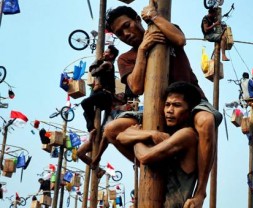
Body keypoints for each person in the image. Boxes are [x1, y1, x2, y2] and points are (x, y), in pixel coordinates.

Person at [94, 5, 223, 207]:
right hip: (159, 111)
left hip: (192, 102)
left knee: (205, 120)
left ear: (137, 19)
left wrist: (154, 17)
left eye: (127, 26)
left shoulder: (163, 29)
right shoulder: (126, 58)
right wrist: (143, 50)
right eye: (119, 33)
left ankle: (200, 192)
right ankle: (155, 162)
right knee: (111, 130)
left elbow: (180, 40)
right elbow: (136, 87)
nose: (126, 34)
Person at [118, 81, 201, 207]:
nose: (169, 110)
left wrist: (137, 136)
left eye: (177, 105)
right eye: (167, 105)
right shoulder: (168, 134)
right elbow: (120, 136)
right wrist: (150, 134)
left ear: (190, 110)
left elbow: (145, 156)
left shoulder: (187, 135)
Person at [77, 45, 119, 177]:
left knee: (85, 103)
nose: (105, 53)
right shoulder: (105, 63)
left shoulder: (108, 64)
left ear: (111, 55)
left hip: (106, 96)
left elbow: (93, 72)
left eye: (107, 51)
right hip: (100, 96)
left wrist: (98, 60)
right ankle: (98, 169)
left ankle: (93, 129)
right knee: (79, 153)